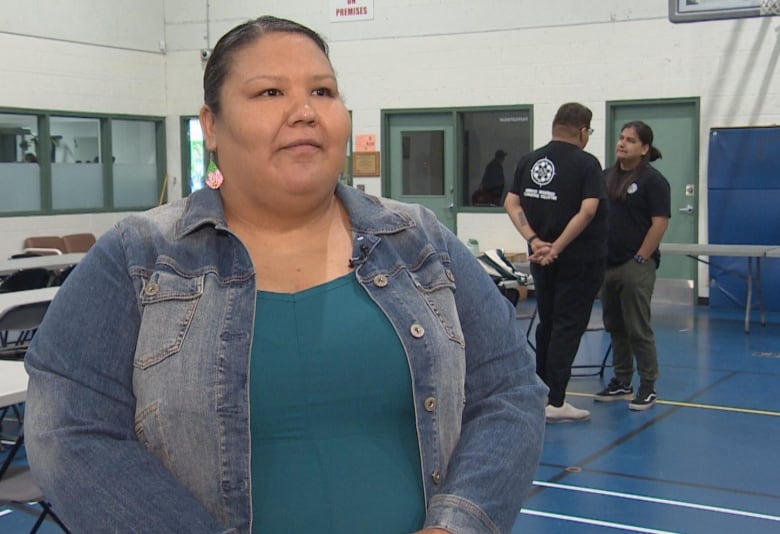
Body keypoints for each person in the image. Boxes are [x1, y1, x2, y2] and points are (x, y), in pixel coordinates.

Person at [24, 15, 547, 534]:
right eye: (270, 92)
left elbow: (511, 391)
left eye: (322, 90)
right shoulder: (137, 258)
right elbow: (69, 430)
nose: (304, 112)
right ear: (211, 125)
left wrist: (458, 525)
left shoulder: (418, 241)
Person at [504, 102, 607, 423]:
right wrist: (557, 247)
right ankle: (557, 400)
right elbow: (588, 210)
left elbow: (511, 202)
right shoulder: (587, 164)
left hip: (541, 258)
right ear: (582, 131)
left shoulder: (529, 160)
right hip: (577, 261)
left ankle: (542, 393)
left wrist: (536, 242)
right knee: (567, 325)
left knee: (548, 322)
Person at [594, 121, 671, 411]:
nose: (622, 143)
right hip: (607, 264)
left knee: (638, 327)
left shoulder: (654, 181)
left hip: (635, 265)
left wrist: (641, 256)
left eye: (630, 140)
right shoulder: (605, 177)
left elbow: (660, 222)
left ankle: (648, 385)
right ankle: (622, 380)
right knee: (615, 325)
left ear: (644, 148)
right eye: (621, 138)